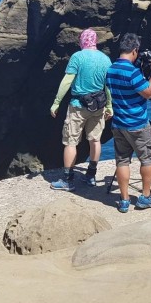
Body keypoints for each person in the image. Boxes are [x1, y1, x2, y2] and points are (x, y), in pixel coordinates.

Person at [50, 28, 112, 192]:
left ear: (82, 41)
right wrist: (109, 106)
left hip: (78, 106)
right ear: (95, 41)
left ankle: (68, 180)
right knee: (95, 140)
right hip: (98, 106)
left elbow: (66, 81)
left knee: (71, 142)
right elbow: (108, 87)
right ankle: (91, 176)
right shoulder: (105, 60)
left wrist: (56, 102)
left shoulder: (78, 57)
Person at [106, 33, 151, 212]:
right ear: (135, 50)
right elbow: (148, 92)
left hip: (118, 123)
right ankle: (145, 196)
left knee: (122, 161)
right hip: (137, 124)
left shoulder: (111, 69)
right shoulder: (132, 72)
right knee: (147, 158)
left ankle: (124, 200)